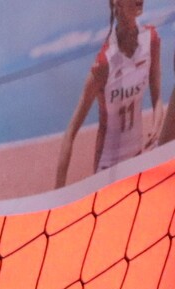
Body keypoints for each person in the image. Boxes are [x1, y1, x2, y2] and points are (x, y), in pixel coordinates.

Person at [56, 0, 161, 188]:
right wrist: (58, 193)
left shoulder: (151, 39)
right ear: (117, 3)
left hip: (137, 160)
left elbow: (157, 96)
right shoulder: (104, 63)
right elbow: (70, 132)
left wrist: (156, 124)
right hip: (107, 170)